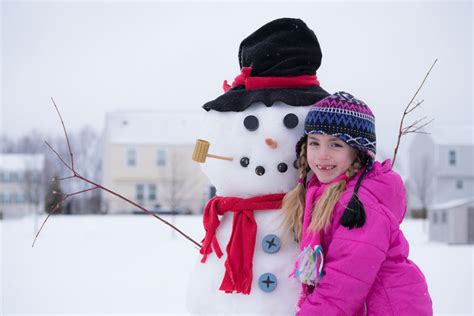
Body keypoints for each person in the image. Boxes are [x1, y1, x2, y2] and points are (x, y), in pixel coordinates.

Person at [282, 91, 433, 315]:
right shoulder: (321, 193)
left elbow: (341, 288)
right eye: (314, 143)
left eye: (335, 145)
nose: (322, 155)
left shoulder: (359, 205)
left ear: (359, 154)